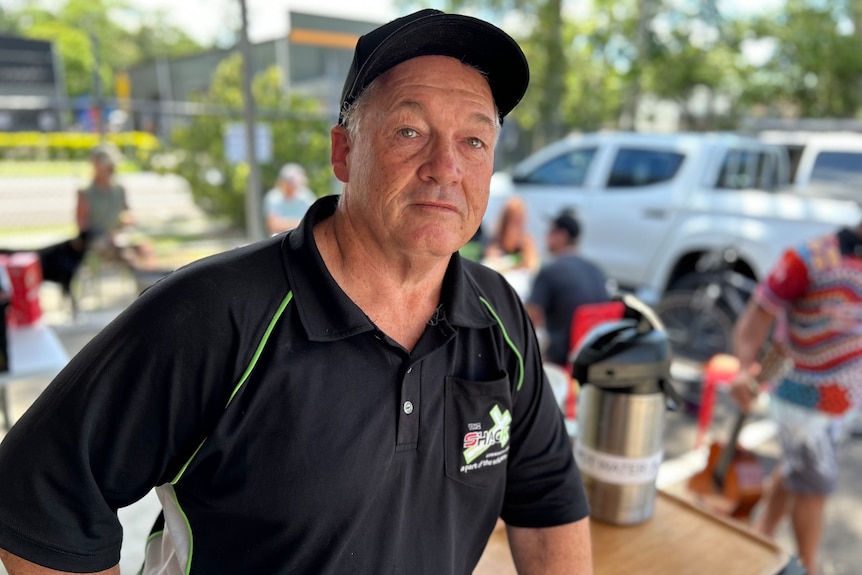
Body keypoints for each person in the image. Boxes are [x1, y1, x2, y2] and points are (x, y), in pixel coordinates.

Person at [0, 9, 592, 575]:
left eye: (474, 141)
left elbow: (546, 498)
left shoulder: (499, 316)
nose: (446, 166)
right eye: (409, 130)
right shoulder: (215, 313)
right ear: (343, 151)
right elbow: (39, 499)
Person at [729, 223, 862, 575]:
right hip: (800, 396)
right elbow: (758, 313)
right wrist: (744, 368)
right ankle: (809, 568)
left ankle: (761, 536)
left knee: (796, 472)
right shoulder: (809, 257)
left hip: (842, 400)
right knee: (815, 485)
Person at [525, 209, 610, 367]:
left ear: (562, 236)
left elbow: (525, 321)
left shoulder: (550, 271)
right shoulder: (597, 271)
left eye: (550, 231)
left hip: (561, 359)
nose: (546, 236)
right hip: (594, 355)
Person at [75, 145, 153, 268]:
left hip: (120, 236)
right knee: (127, 256)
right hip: (98, 240)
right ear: (95, 164)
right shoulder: (85, 191)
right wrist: (106, 235)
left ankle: (153, 282)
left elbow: (128, 213)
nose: (111, 168)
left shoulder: (119, 189)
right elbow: (82, 227)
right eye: (107, 165)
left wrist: (128, 221)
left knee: (144, 248)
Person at [483, 196, 540, 273]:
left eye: (522, 223)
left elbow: (533, 268)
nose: (520, 229)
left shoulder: (527, 243)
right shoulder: (492, 242)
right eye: (516, 223)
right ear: (505, 223)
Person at [263, 162, 316, 234]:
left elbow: (314, 220)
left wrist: (286, 223)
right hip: (280, 239)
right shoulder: (274, 197)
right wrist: (299, 223)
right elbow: (273, 225)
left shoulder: (305, 196)